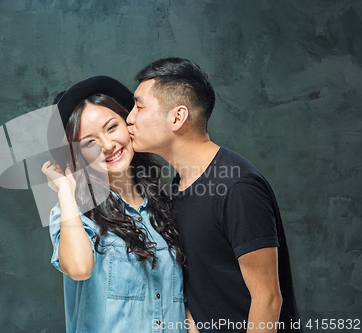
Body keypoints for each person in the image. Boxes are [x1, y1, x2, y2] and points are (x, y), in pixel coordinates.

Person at [126, 58, 303, 333]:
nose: (130, 118)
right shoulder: (180, 185)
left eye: (139, 106)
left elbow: (267, 299)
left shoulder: (237, 186)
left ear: (177, 117)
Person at [42, 76, 188, 333]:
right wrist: (65, 192)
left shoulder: (164, 206)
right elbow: (78, 269)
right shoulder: (74, 212)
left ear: (128, 123)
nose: (107, 146)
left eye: (111, 128)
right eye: (89, 142)